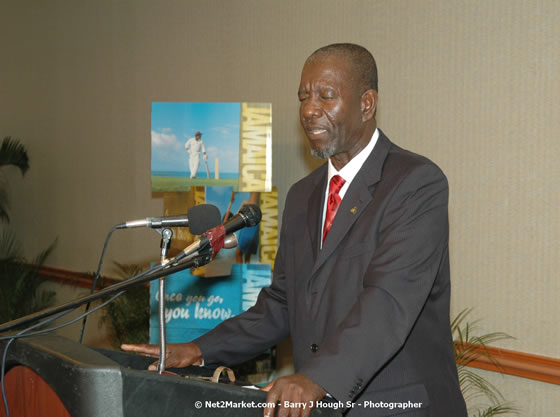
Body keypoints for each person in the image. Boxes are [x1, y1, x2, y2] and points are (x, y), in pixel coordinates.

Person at [123, 43, 467, 417]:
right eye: (304, 97)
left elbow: (387, 303)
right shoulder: (303, 195)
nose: (309, 110)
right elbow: (282, 303)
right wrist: (200, 349)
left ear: (367, 104)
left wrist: (316, 378)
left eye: (326, 96)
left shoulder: (415, 183)